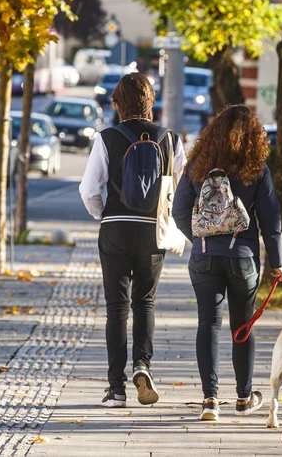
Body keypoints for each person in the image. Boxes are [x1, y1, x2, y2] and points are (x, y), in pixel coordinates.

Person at [172, 105, 282, 422]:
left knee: (207, 323)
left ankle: (210, 401)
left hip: (205, 257)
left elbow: (179, 211)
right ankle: (243, 397)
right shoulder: (256, 168)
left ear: (214, 132)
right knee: (243, 326)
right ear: (254, 137)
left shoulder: (198, 164)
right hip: (243, 259)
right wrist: (278, 263)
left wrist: (200, 239)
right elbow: (271, 222)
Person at [79, 73, 185, 408]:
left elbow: (88, 189)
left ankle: (117, 389)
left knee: (117, 307)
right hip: (152, 230)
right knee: (145, 303)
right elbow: (177, 190)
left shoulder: (106, 137)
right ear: (150, 101)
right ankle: (143, 365)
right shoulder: (170, 139)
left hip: (115, 228)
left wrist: (104, 215)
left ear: (118, 103)